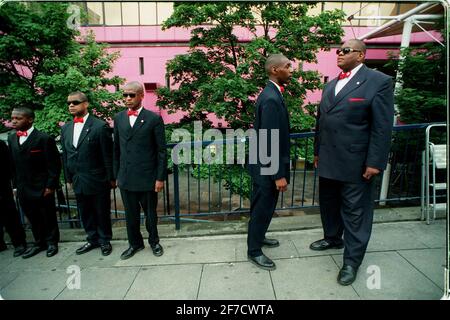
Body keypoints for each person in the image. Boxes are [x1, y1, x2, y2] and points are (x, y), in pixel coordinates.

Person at [310, 39, 394, 285]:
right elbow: (321, 123)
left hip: (357, 163)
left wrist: (375, 162)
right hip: (328, 160)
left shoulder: (379, 81)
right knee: (329, 206)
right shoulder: (331, 85)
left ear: (361, 55)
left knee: (356, 214)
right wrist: (317, 152)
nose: (339, 54)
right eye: (338, 50)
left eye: (345, 50)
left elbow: (382, 126)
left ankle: (351, 262)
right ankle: (333, 238)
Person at [247, 54, 292, 271]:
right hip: (267, 168)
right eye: (287, 66)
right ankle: (254, 250)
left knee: (265, 207)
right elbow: (269, 139)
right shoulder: (271, 98)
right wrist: (278, 174)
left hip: (265, 165)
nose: (291, 70)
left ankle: (260, 237)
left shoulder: (271, 94)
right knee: (262, 209)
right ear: (275, 70)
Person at [113, 82, 167, 260]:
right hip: (126, 178)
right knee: (131, 215)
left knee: (150, 214)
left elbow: (161, 151)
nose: (127, 99)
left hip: (147, 178)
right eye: (125, 95)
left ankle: (154, 242)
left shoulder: (153, 119)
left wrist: (160, 178)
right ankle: (134, 244)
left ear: (141, 95)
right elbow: (116, 150)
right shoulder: (119, 118)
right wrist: (117, 176)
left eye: (131, 95)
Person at [61, 92, 114, 256]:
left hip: (97, 178)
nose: (71, 105)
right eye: (69, 103)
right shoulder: (66, 128)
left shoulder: (100, 126)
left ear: (86, 104)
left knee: (101, 211)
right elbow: (66, 155)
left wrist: (111, 178)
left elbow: (108, 155)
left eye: (75, 102)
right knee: (85, 211)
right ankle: (92, 239)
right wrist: (68, 177)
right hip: (77, 178)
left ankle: (105, 240)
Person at [8, 107, 61, 258]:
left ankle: (52, 243)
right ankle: (39, 242)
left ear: (30, 120)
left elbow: (54, 165)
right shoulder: (12, 138)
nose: (14, 121)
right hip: (23, 187)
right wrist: (15, 186)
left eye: (18, 118)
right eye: (13, 118)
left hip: (42, 187)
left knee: (47, 215)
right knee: (32, 217)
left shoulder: (43, 138)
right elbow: (12, 165)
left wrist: (51, 186)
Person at [0, 140, 27, 257]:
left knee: (9, 215)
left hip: (2, 186)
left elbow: (9, 166)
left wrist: (11, 184)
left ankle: (19, 243)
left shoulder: (1, 145)